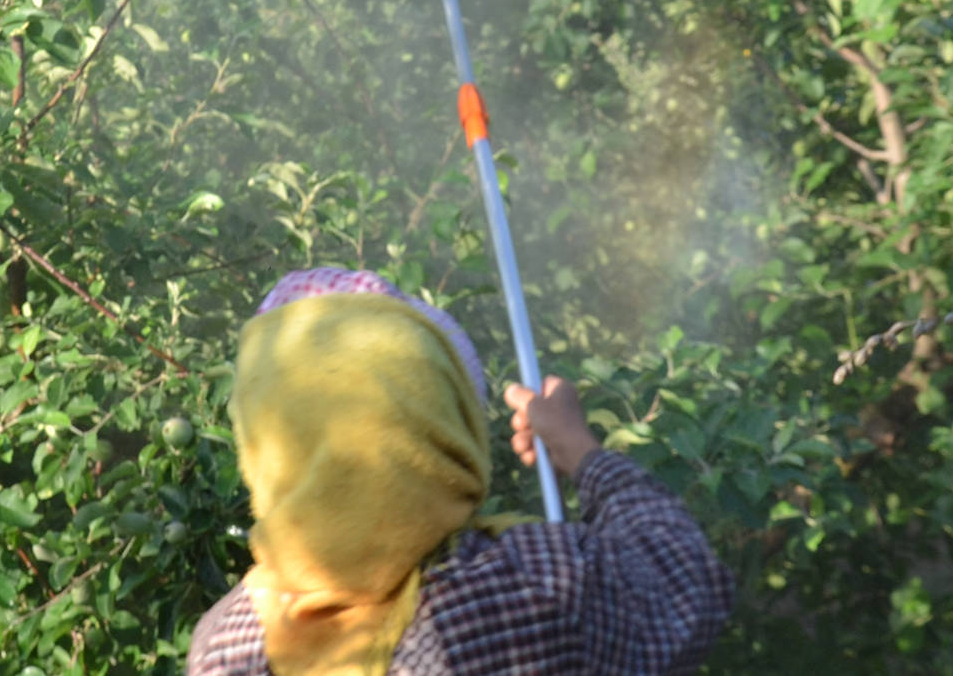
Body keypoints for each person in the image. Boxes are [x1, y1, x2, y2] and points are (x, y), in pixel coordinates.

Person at [188, 267, 735, 675]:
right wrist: (578, 447)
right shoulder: (532, 583)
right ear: (440, 427)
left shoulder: (223, 646)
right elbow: (686, 585)